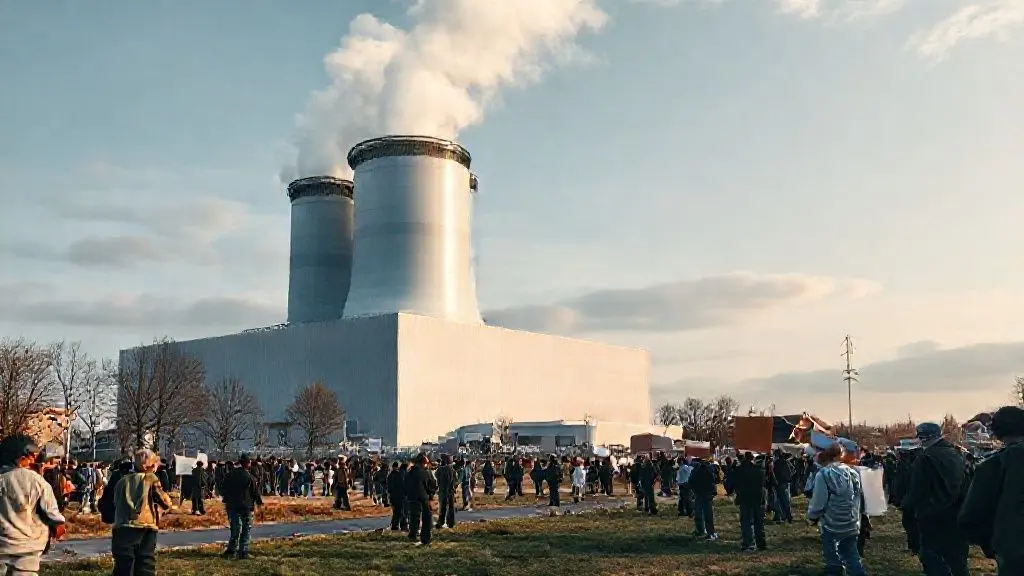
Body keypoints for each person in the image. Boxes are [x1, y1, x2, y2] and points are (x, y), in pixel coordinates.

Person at [959, 406, 1024, 575]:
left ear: (996, 431)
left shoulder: (993, 465)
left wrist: (991, 544)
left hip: (1013, 548)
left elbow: (973, 512)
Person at [904, 422, 970, 576]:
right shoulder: (956, 455)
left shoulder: (925, 458)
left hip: (932, 517)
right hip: (956, 515)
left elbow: (916, 491)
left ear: (923, 438)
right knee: (958, 562)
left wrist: (908, 512)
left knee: (933, 561)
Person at [0, 434, 66, 575]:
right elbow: (56, 522)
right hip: (26, 555)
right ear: (22, 456)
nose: (33, 460)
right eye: (31, 456)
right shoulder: (36, 481)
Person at [111, 449, 174, 576]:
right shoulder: (150, 478)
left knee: (123, 565)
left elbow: (115, 502)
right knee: (145, 562)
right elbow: (165, 502)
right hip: (145, 526)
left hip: (121, 526)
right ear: (151, 465)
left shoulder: (122, 481)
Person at [807, 444, 865, 576]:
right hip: (852, 523)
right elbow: (857, 498)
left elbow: (818, 504)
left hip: (831, 526)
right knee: (852, 558)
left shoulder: (823, 474)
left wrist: (812, 516)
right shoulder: (852, 472)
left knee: (833, 564)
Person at [220, 454, 263, 560]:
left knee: (235, 529)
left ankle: (231, 550)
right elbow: (255, 492)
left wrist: (226, 499)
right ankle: (243, 551)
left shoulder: (230, 474)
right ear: (248, 464)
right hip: (246, 506)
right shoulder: (249, 477)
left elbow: (223, 488)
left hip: (232, 505)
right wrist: (259, 503)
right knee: (246, 529)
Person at [734, 452, 767, 552]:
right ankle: (761, 544)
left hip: (745, 499)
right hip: (758, 498)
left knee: (746, 522)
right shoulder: (759, 470)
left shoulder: (739, 470)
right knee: (759, 523)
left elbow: (735, 484)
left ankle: (748, 544)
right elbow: (763, 484)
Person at [405, 453, 437, 546]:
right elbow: (432, 485)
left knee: (414, 516)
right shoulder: (425, 472)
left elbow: (405, 485)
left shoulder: (409, 473)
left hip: (411, 497)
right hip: (423, 497)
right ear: (424, 463)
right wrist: (431, 495)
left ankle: (412, 535)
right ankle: (425, 538)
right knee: (427, 517)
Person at [689, 458, 718, 541]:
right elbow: (714, 481)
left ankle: (700, 530)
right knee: (708, 514)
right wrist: (713, 492)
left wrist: (694, 491)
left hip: (699, 493)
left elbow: (690, 482)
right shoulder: (710, 469)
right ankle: (710, 532)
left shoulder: (695, 471)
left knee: (698, 513)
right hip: (708, 494)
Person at [434, 454, 457, 529]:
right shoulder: (451, 469)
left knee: (442, 507)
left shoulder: (440, 469)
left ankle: (441, 522)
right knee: (450, 507)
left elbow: (436, 477)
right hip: (450, 491)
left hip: (442, 491)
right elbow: (455, 479)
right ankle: (451, 523)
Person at [772, 451, 795, 523]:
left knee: (780, 501)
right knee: (785, 501)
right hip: (785, 483)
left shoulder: (776, 463)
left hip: (780, 483)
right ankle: (786, 516)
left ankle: (784, 517)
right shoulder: (786, 462)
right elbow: (793, 470)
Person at [387, 462, 407, 531]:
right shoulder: (400, 475)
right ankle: (403, 526)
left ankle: (394, 526)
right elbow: (403, 486)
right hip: (399, 496)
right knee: (401, 511)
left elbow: (389, 488)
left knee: (396, 511)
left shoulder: (390, 475)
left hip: (393, 496)